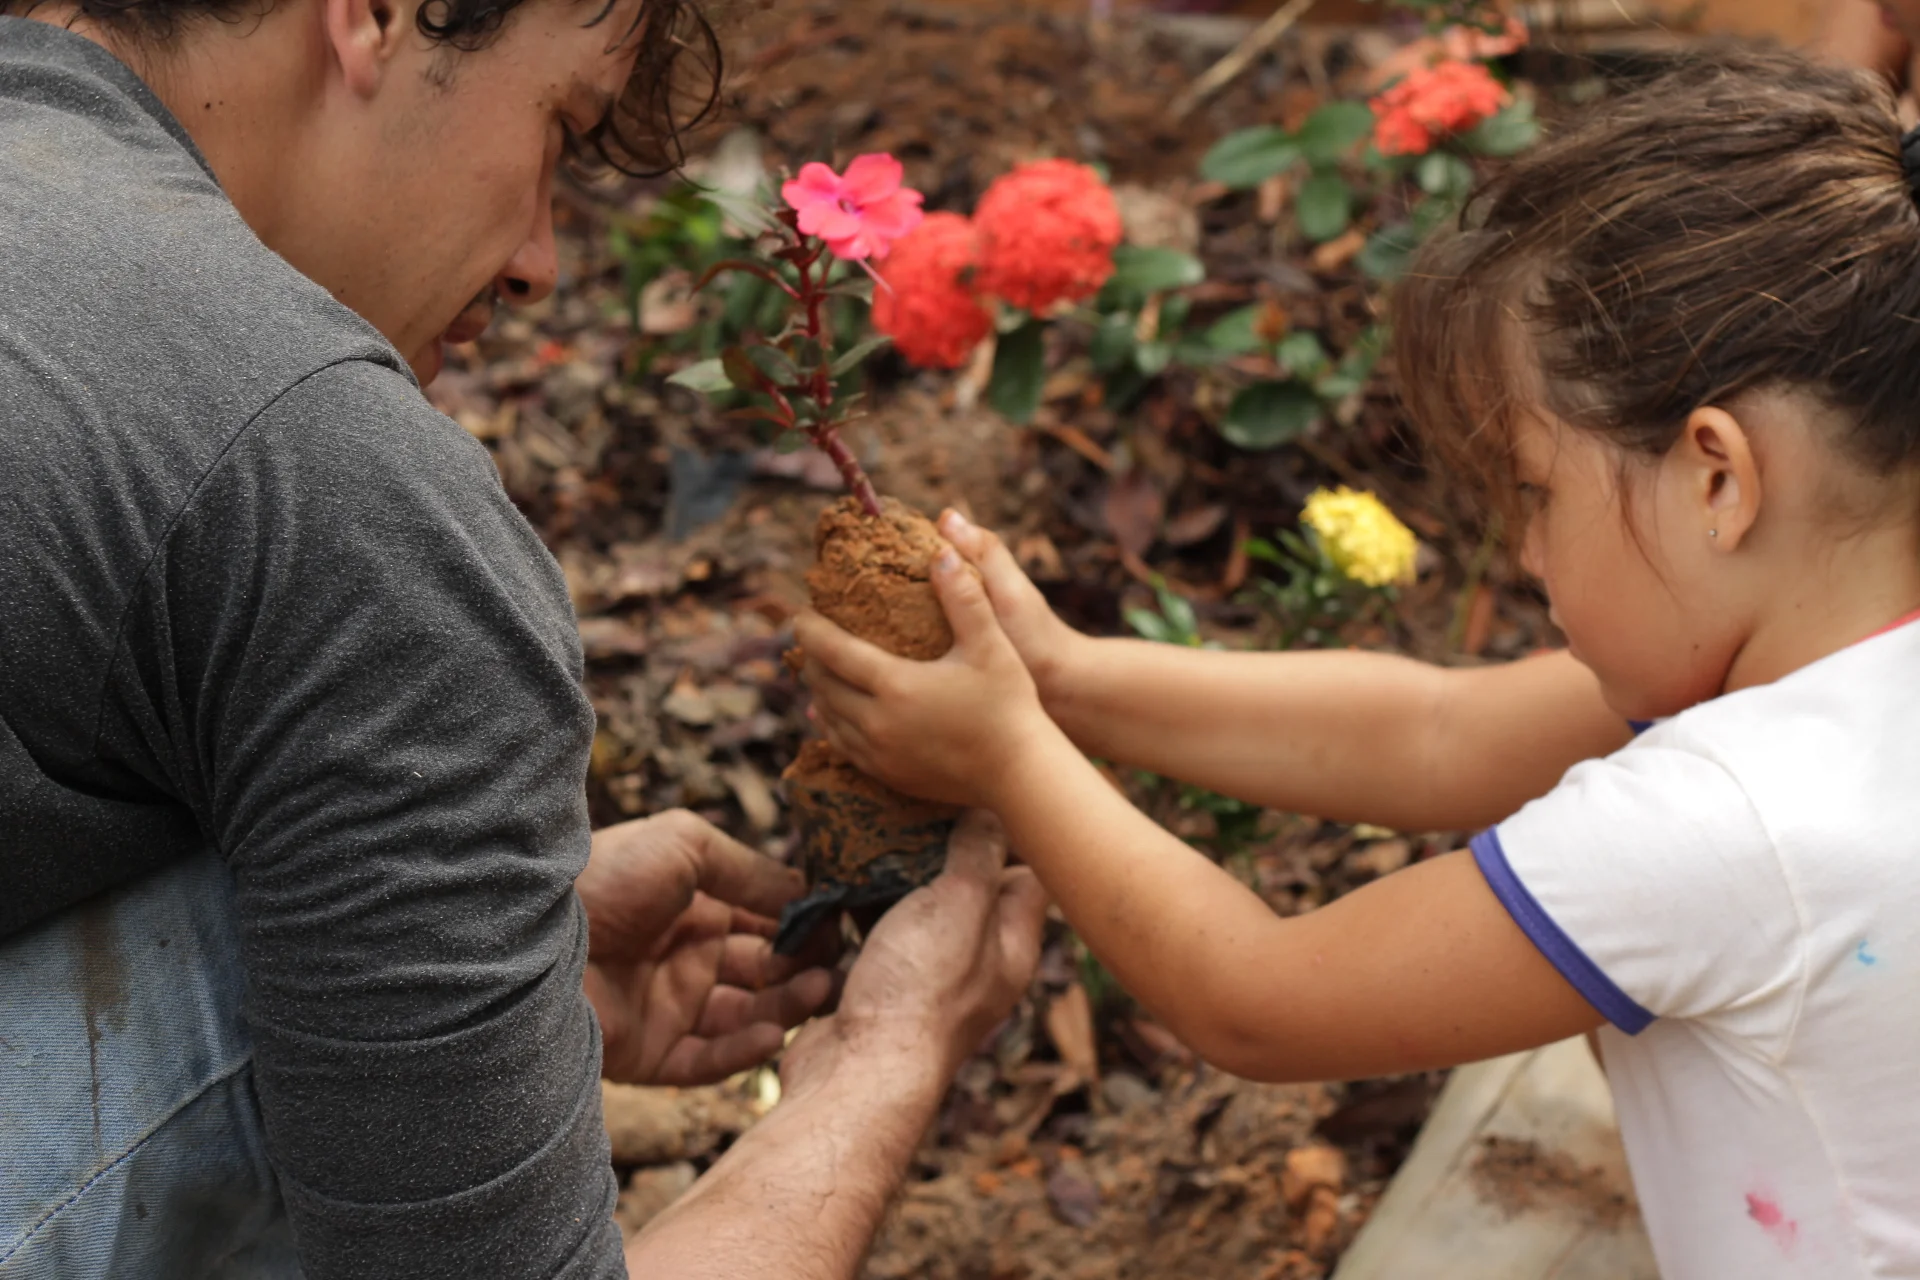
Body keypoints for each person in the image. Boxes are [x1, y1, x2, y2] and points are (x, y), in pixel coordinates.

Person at [801, 47, 1920, 1280]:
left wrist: (1007, 755)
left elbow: (1260, 998)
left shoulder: (1726, 826)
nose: (1524, 550)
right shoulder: (1831, 682)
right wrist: (1060, 678)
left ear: (1717, 479)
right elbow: (1435, 732)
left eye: (1535, 492)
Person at [0, 0, 1046, 1276]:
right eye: (561, 125)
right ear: (375, 15)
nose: (538, 264)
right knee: (237, 925)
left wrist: (458, 989)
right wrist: (886, 1054)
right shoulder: (331, 483)